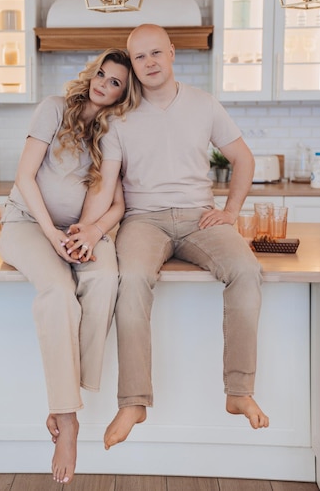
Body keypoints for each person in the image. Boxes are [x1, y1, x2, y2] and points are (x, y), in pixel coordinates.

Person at [70, 24, 270, 451]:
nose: (149, 63)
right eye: (139, 57)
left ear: (172, 53)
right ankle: (133, 401)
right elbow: (106, 184)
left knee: (247, 271)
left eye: (156, 53)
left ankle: (238, 392)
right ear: (133, 64)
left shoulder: (203, 104)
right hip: (144, 220)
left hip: (202, 217)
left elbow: (242, 158)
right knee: (132, 280)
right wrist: (89, 227)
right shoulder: (118, 117)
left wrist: (231, 211)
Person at [0, 48, 140, 485]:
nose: (104, 83)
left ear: (123, 93)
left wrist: (91, 233)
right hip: (28, 223)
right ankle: (68, 418)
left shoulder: (115, 130)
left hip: (79, 234)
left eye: (115, 81)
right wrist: (52, 235)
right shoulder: (54, 109)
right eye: (102, 73)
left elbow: (119, 204)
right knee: (59, 294)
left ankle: (67, 390)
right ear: (91, 74)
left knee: (104, 280)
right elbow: (25, 177)